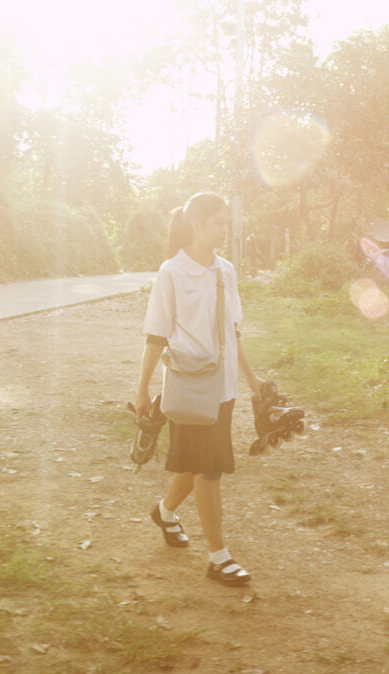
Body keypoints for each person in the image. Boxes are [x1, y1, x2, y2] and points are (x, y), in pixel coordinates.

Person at [133, 192, 263, 586]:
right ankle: (218, 558)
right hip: (190, 386)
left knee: (198, 461)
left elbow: (232, 331)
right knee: (209, 469)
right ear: (196, 224)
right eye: (219, 222)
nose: (225, 229)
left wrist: (252, 380)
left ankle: (164, 512)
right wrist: (142, 390)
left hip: (223, 387)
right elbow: (156, 335)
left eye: (227, 222)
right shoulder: (172, 272)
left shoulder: (226, 271)